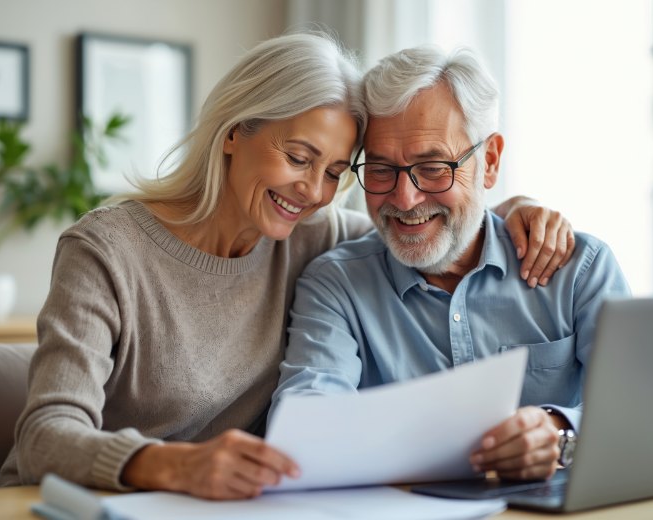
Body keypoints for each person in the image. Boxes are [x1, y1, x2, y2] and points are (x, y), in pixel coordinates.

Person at [0, 33, 575, 500]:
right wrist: (175, 467)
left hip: (226, 507)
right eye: (298, 157)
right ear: (232, 134)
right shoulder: (107, 249)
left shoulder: (313, 236)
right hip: (88, 504)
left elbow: (417, 218)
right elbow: (45, 436)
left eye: (334, 172)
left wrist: (511, 210)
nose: (313, 191)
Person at [270, 45, 631, 482]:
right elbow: (304, 430)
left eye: (434, 167)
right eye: (382, 170)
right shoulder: (337, 285)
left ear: (490, 162)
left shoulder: (579, 269)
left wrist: (559, 434)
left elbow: (641, 411)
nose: (405, 200)